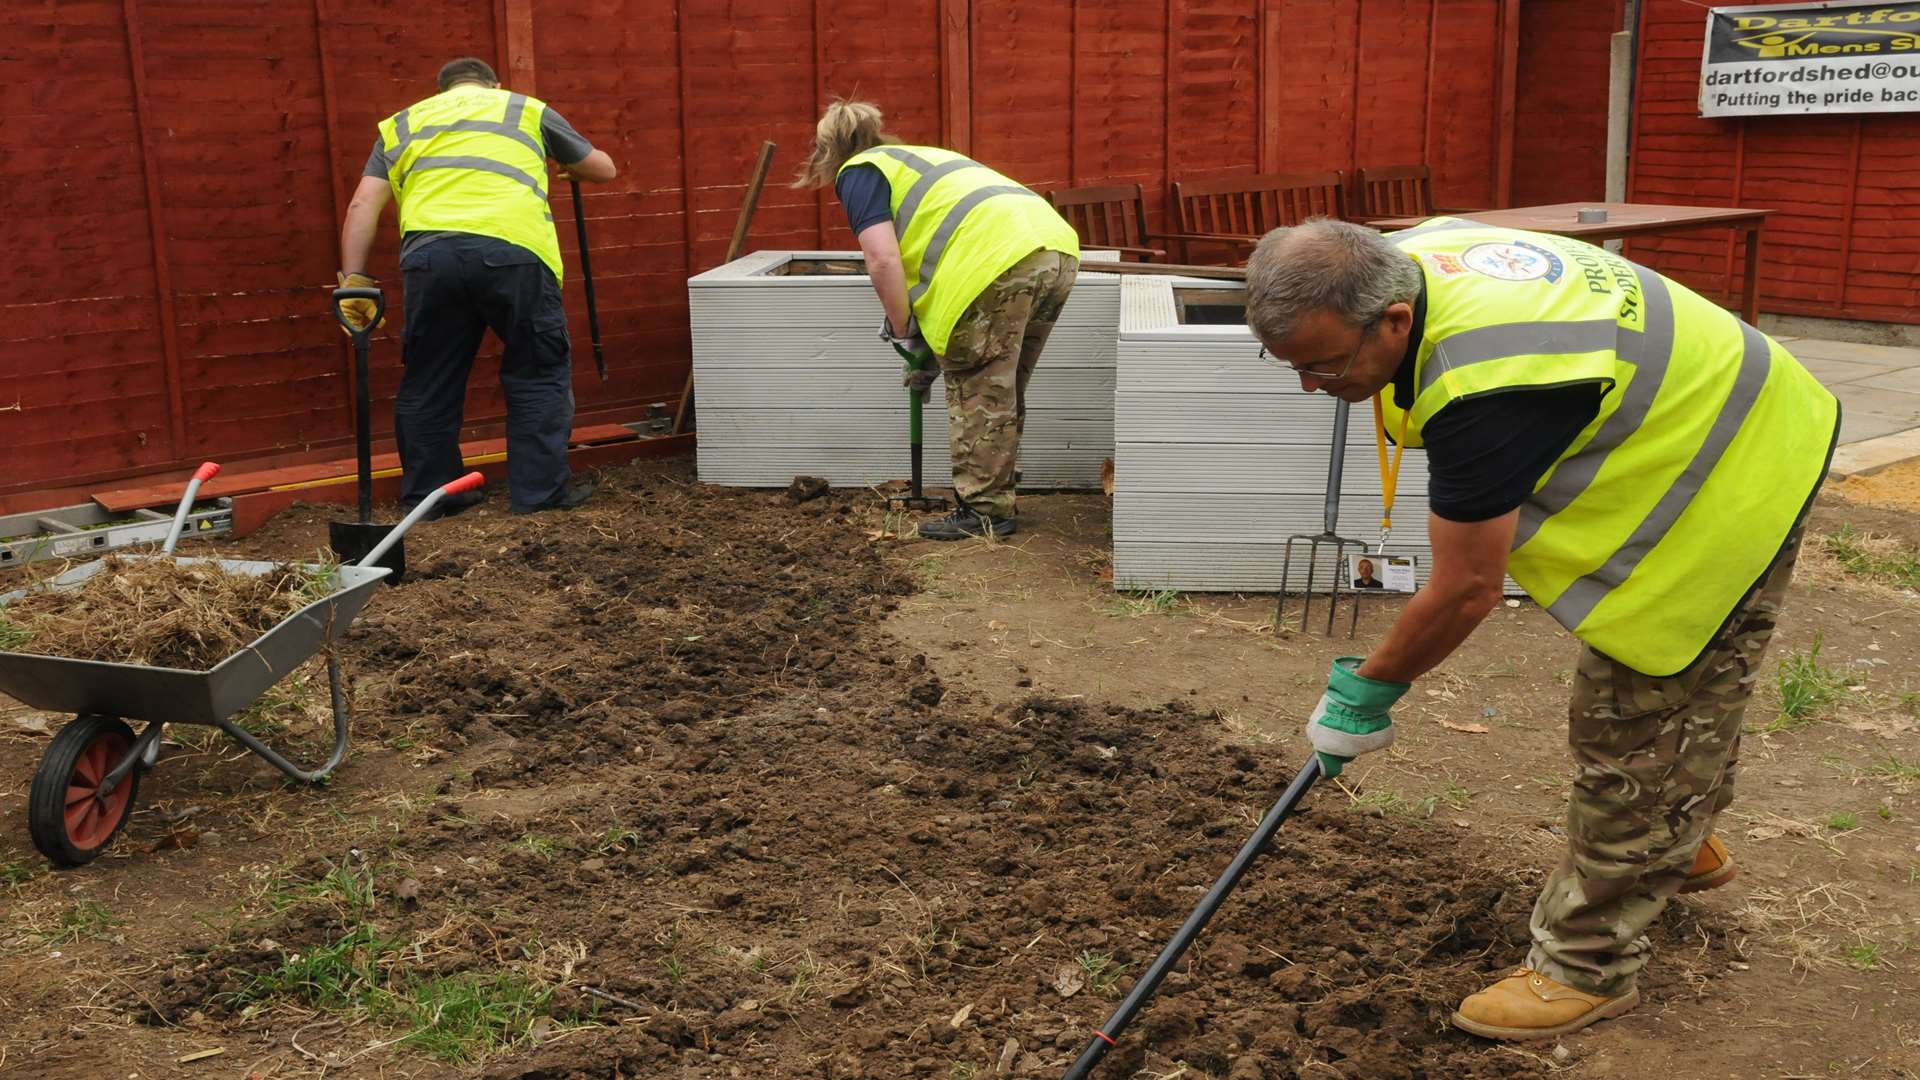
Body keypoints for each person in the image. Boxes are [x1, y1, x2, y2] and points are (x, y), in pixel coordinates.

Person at [1245, 218, 1838, 1041]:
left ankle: (1585, 964)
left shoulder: (1488, 381)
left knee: (1635, 720)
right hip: (1701, 411)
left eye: (1325, 363)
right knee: (1649, 716)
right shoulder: (1400, 265)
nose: (1313, 386)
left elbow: (1464, 589)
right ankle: (1675, 834)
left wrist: (1366, 691)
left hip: (1739, 464)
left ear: (1394, 321)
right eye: (1292, 367)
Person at [336, 57, 616, 516]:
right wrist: (574, 169)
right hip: (515, 253)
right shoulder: (523, 109)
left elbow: (362, 204)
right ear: (493, 85)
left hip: (431, 258)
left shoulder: (402, 124)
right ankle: (539, 497)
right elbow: (603, 169)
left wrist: (354, 280)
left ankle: (435, 499)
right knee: (538, 372)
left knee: (429, 379)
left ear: (441, 90)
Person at [792, 100, 1081, 540]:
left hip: (996, 262)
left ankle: (984, 510)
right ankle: (995, 492)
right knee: (1002, 384)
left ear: (827, 152)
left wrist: (903, 328)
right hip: (1055, 249)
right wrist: (925, 343)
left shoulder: (861, 172)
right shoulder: (921, 159)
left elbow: (883, 259)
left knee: (977, 388)